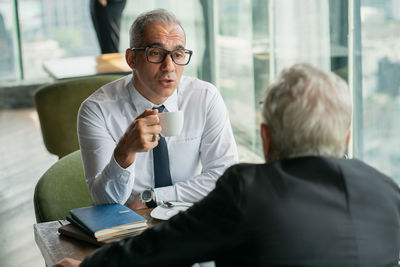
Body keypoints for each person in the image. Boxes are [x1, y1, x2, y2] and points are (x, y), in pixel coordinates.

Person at [57, 63, 400, 266]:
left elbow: (154, 252)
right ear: (346, 138)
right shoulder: (387, 190)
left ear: (266, 139)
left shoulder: (247, 191)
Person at [78, 9, 238, 210]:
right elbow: (105, 202)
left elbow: (224, 176)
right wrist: (125, 151)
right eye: (156, 53)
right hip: (130, 226)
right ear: (131, 59)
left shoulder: (204, 98)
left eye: (178, 54)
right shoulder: (97, 110)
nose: (169, 66)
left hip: (187, 220)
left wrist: (153, 197)